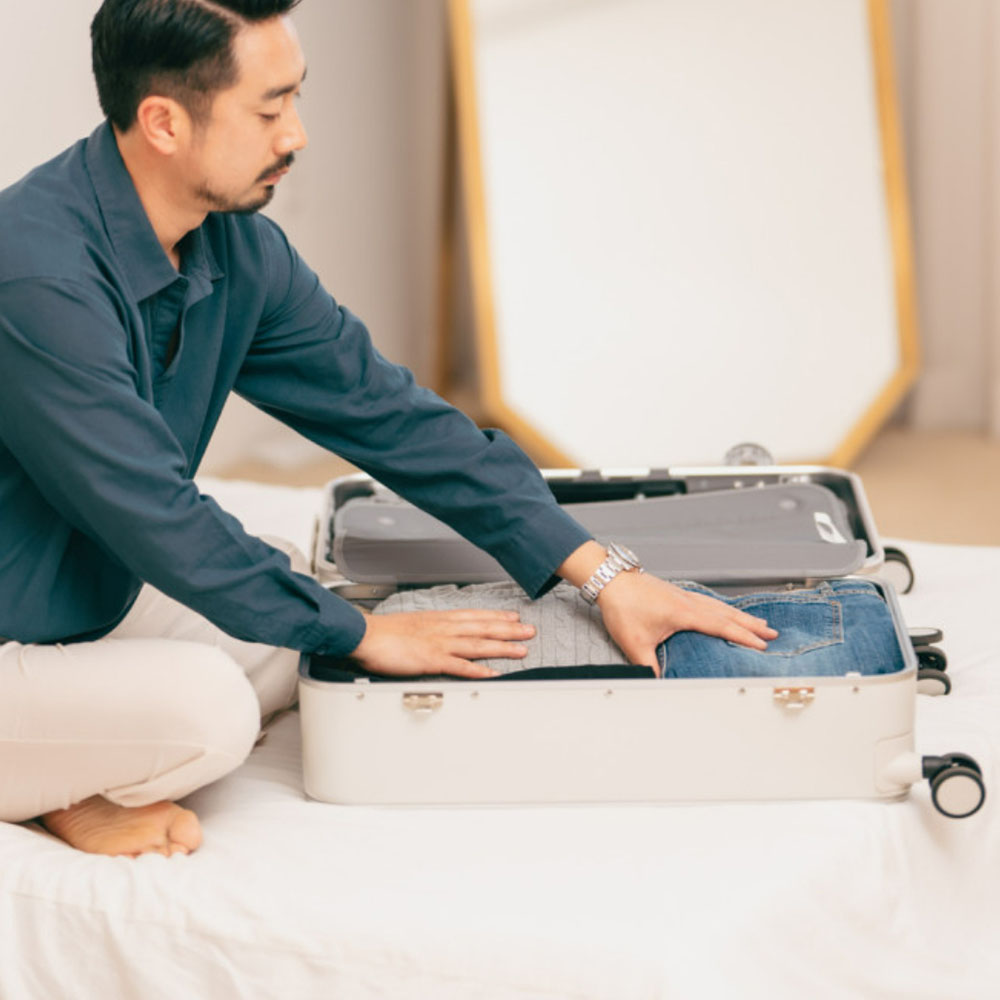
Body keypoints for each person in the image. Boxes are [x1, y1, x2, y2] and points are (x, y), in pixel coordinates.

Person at [0, 0, 776, 859]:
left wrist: (602, 573)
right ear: (164, 123)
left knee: (291, 610)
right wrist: (369, 636)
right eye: (269, 109)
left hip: (81, 601)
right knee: (215, 709)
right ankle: (62, 781)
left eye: (296, 99)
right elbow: (153, 512)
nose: (296, 135)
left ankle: (66, 763)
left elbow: (390, 416)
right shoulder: (34, 275)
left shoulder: (237, 249)